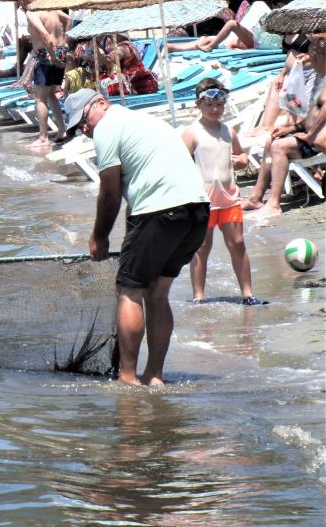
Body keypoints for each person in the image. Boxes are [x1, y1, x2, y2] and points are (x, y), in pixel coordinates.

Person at [65, 88, 210, 386]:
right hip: (197, 213)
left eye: (83, 120)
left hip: (160, 212)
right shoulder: (145, 122)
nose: (84, 129)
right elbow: (148, 180)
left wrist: (99, 237)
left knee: (129, 290)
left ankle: (128, 378)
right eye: (78, 128)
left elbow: (110, 192)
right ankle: (154, 375)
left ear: (101, 104)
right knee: (157, 293)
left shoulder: (107, 128)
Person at [182, 79, 264, 306]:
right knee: (201, 247)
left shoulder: (229, 131)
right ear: (198, 104)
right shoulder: (192, 133)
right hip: (203, 201)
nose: (215, 110)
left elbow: (242, 157)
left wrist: (240, 161)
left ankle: (248, 293)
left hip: (229, 199)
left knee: (237, 243)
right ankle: (198, 296)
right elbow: (179, 163)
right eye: (209, 105)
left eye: (219, 105)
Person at [241, 33, 326, 217]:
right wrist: (290, 129)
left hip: (318, 139)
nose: (307, 60)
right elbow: (313, 118)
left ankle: (274, 204)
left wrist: (309, 135)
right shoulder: (320, 78)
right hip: (309, 134)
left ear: (319, 57)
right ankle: (256, 197)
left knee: (279, 147)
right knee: (272, 140)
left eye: (311, 56)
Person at [21, 0, 71, 146]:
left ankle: (43, 138)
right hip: (61, 50)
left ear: (21, 1)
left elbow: (44, 34)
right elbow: (68, 20)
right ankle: (62, 130)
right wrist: (65, 42)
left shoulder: (32, 12)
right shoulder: (50, 7)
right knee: (50, 94)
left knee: (40, 98)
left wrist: (54, 56)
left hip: (47, 55)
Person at [166, 8, 256, 53]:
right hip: (227, 39)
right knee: (205, 40)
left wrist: (231, 48)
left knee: (204, 40)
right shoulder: (252, 41)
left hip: (226, 40)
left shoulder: (252, 42)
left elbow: (231, 44)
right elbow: (232, 24)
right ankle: (172, 47)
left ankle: (172, 47)